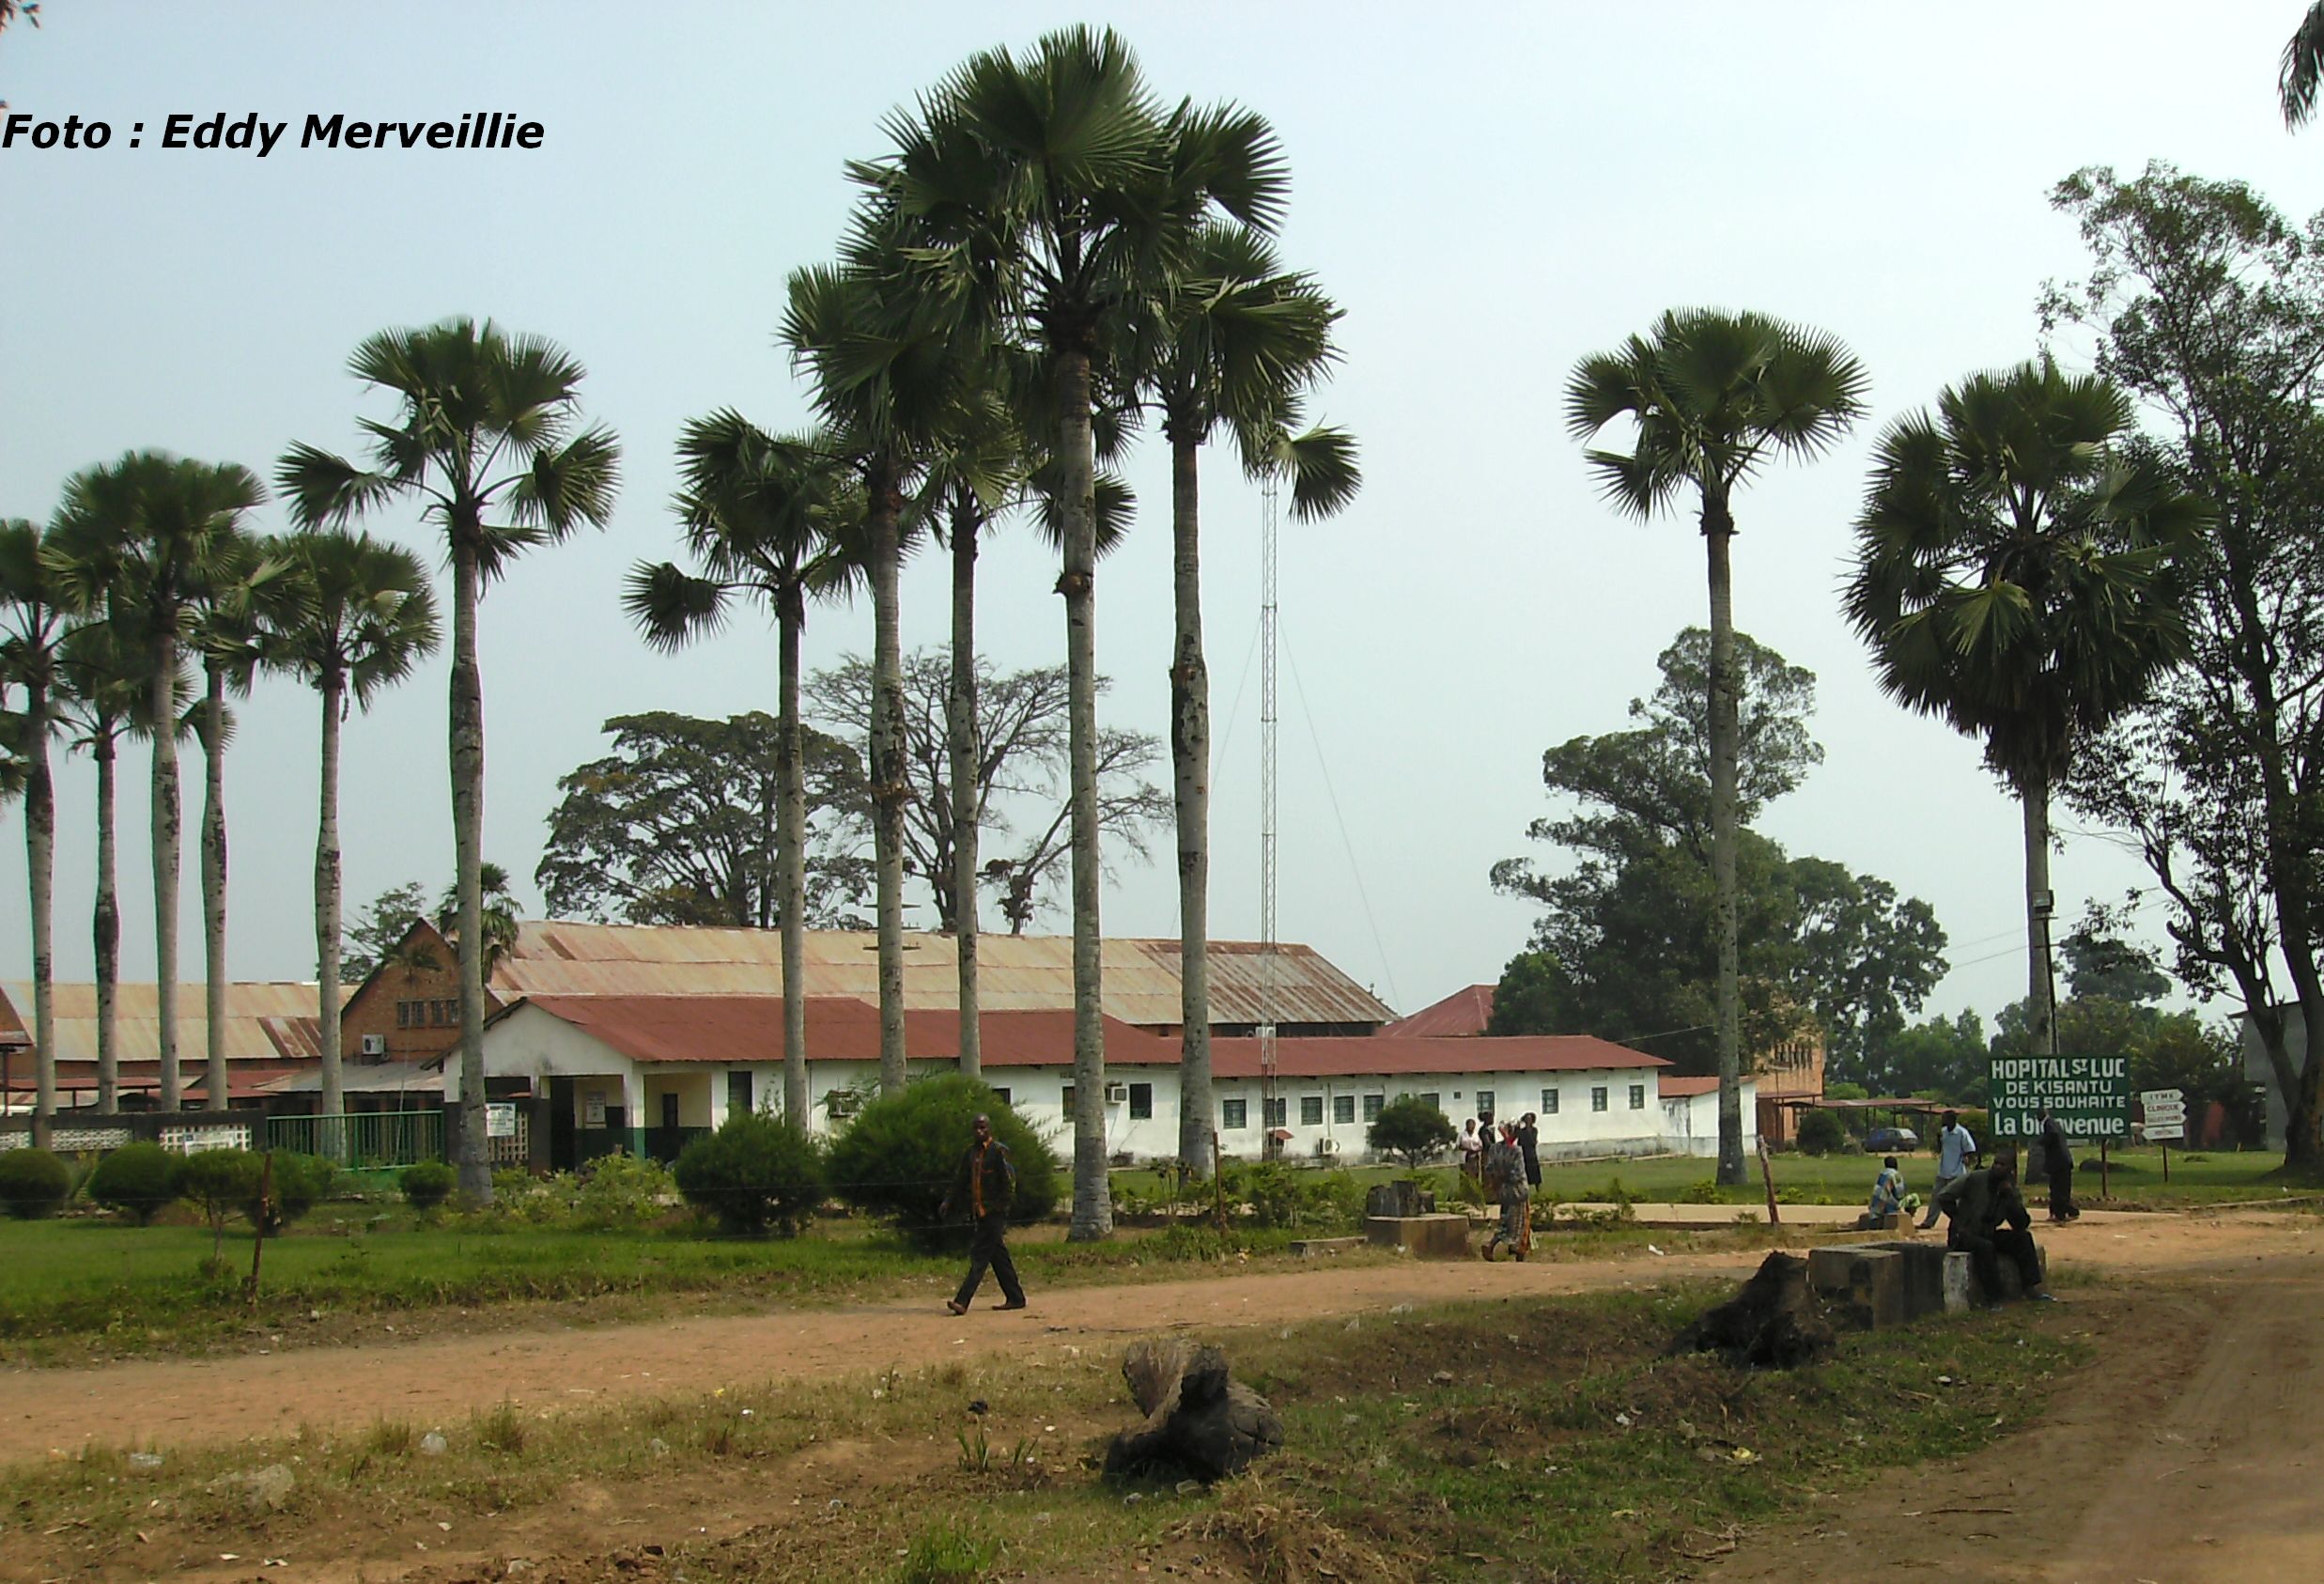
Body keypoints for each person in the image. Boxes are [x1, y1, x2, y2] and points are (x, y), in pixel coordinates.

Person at [1933, 1145, 2053, 1303]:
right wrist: (1958, 1219)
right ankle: (1993, 1296)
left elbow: (2021, 1224)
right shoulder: (1976, 1178)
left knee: (2023, 1238)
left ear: (2011, 1169)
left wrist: (2010, 1199)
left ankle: (2031, 1289)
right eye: (1996, 1163)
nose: (1997, 1167)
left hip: (1987, 1233)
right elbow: (1944, 1196)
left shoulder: (2010, 1189)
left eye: (2002, 1165)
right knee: (1985, 1247)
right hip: (1963, 1235)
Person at [937, 1112, 1026, 1315]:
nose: (979, 1131)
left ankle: (962, 1301)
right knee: (998, 1256)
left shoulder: (998, 1152)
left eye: (983, 1127)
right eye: (976, 1128)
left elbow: (1009, 1183)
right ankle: (1016, 1297)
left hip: (994, 1212)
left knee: (980, 1255)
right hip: (979, 1211)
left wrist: (1001, 1207)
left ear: (989, 1129)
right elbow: (960, 1180)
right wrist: (948, 1201)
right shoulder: (970, 1154)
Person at [1917, 1109, 1978, 1230]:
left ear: (1952, 1120)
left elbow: (1970, 1149)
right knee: (1936, 1197)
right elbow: (1941, 1147)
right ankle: (1929, 1222)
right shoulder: (1943, 1132)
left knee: (1958, 1200)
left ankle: (1963, 1222)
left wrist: (1967, 1161)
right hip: (1943, 1171)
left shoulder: (1962, 1133)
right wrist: (1938, 1140)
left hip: (1957, 1172)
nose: (1943, 1121)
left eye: (1945, 1119)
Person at [1482, 1120, 1533, 1261]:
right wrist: (1504, 1177)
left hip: (1502, 1191)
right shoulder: (1516, 1151)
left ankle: (1492, 1245)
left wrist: (1496, 1181)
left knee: (1505, 1220)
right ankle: (1518, 1252)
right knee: (1521, 1224)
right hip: (1518, 1191)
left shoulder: (1494, 1149)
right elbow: (1518, 1173)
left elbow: (1489, 1169)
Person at [2037, 1109, 2080, 1222]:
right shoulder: (2053, 1123)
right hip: (2060, 1163)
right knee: (2058, 1190)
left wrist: (2042, 1141)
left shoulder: (2049, 1123)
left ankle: (2069, 1212)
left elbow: (2053, 1134)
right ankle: (2059, 1214)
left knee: (2059, 1190)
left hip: (2060, 1163)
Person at [1859, 1155, 1907, 1229]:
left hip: (1875, 1207)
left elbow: (1877, 1191)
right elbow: (1899, 1194)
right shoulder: (1896, 1175)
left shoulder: (1882, 1174)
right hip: (1888, 1207)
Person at [1517, 1111, 1542, 1192]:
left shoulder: (1534, 1130)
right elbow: (1520, 1142)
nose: (1528, 1121)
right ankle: (1525, 1189)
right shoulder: (1522, 1131)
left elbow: (1533, 1141)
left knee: (1535, 1171)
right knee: (1526, 1172)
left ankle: (1538, 1189)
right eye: (1527, 1119)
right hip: (1525, 1153)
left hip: (1532, 1153)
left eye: (1530, 1119)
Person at [1458, 1118, 1484, 1182]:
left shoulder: (1476, 1135)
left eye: (1472, 1125)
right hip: (1464, 1158)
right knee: (1465, 1175)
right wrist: (1467, 1149)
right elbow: (1458, 1145)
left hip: (1474, 1157)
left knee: (1474, 1175)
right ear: (1466, 1125)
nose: (1470, 1126)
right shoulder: (1462, 1135)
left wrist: (1475, 1150)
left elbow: (1481, 1146)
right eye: (1469, 1124)